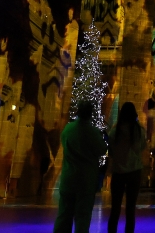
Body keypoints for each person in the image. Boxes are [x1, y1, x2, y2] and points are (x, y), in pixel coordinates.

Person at [55, 100, 109, 233]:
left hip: (68, 179)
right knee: (82, 218)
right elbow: (102, 149)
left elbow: (63, 141)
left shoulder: (68, 129)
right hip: (85, 181)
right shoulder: (92, 132)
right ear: (91, 114)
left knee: (63, 216)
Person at [107, 102, 146, 233]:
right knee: (131, 209)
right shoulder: (139, 131)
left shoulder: (115, 131)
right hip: (134, 172)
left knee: (115, 208)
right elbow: (142, 147)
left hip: (118, 172)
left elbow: (111, 150)